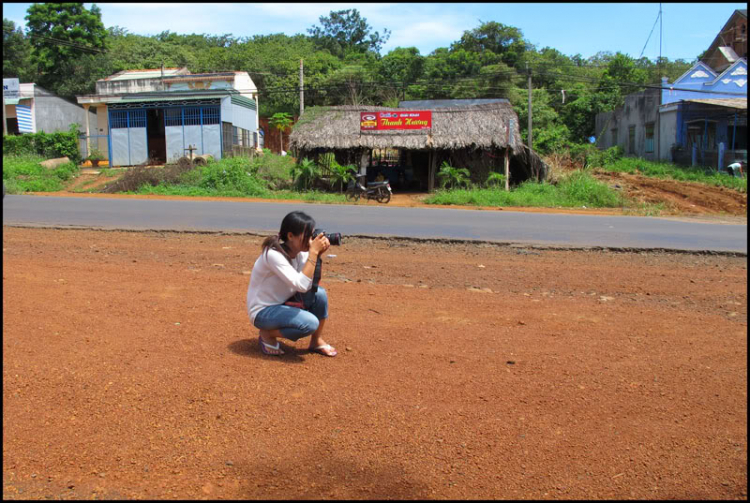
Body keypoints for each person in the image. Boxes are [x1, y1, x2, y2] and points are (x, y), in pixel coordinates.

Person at [246, 211, 337, 357]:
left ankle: (316, 341)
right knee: (310, 324)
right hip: (263, 311)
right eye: (306, 235)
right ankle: (267, 333)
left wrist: (316, 255)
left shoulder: (300, 253)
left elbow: (309, 286)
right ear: (290, 236)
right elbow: (300, 285)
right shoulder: (273, 254)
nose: (311, 240)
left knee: (320, 294)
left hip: (283, 302)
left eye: (312, 235)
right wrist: (313, 253)